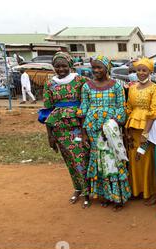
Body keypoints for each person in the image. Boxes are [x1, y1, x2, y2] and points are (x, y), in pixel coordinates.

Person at [80, 55, 131, 211]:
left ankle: (118, 197)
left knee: (113, 161)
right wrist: (83, 133)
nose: (96, 70)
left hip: (110, 130)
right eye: (93, 67)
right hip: (92, 129)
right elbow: (83, 109)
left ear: (107, 68)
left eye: (99, 67)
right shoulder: (86, 87)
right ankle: (107, 195)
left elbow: (121, 108)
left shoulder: (116, 86)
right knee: (100, 162)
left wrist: (111, 126)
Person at [42, 52, 90, 208]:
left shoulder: (81, 80)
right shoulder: (50, 84)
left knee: (81, 159)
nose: (60, 69)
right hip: (59, 128)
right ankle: (77, 189)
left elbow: (87, 102)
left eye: (64, 66)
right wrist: (50, 136)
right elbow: (47, 110)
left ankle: (88, 191)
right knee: (69, 160)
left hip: (77, 127)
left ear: (70, 65)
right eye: (57, 66)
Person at [125, 58, 156, 206]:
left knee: (148, 161)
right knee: (135, 160)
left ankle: (151, 192)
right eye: (138, 70)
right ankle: (137, 190)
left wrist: (145, 133)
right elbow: (128, 108)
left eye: (144, 70)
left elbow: (154, 111)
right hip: (133, 128)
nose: (141, 73)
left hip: (148, 128)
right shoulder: (133, 88)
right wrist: (127, 130)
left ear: (150, 71)